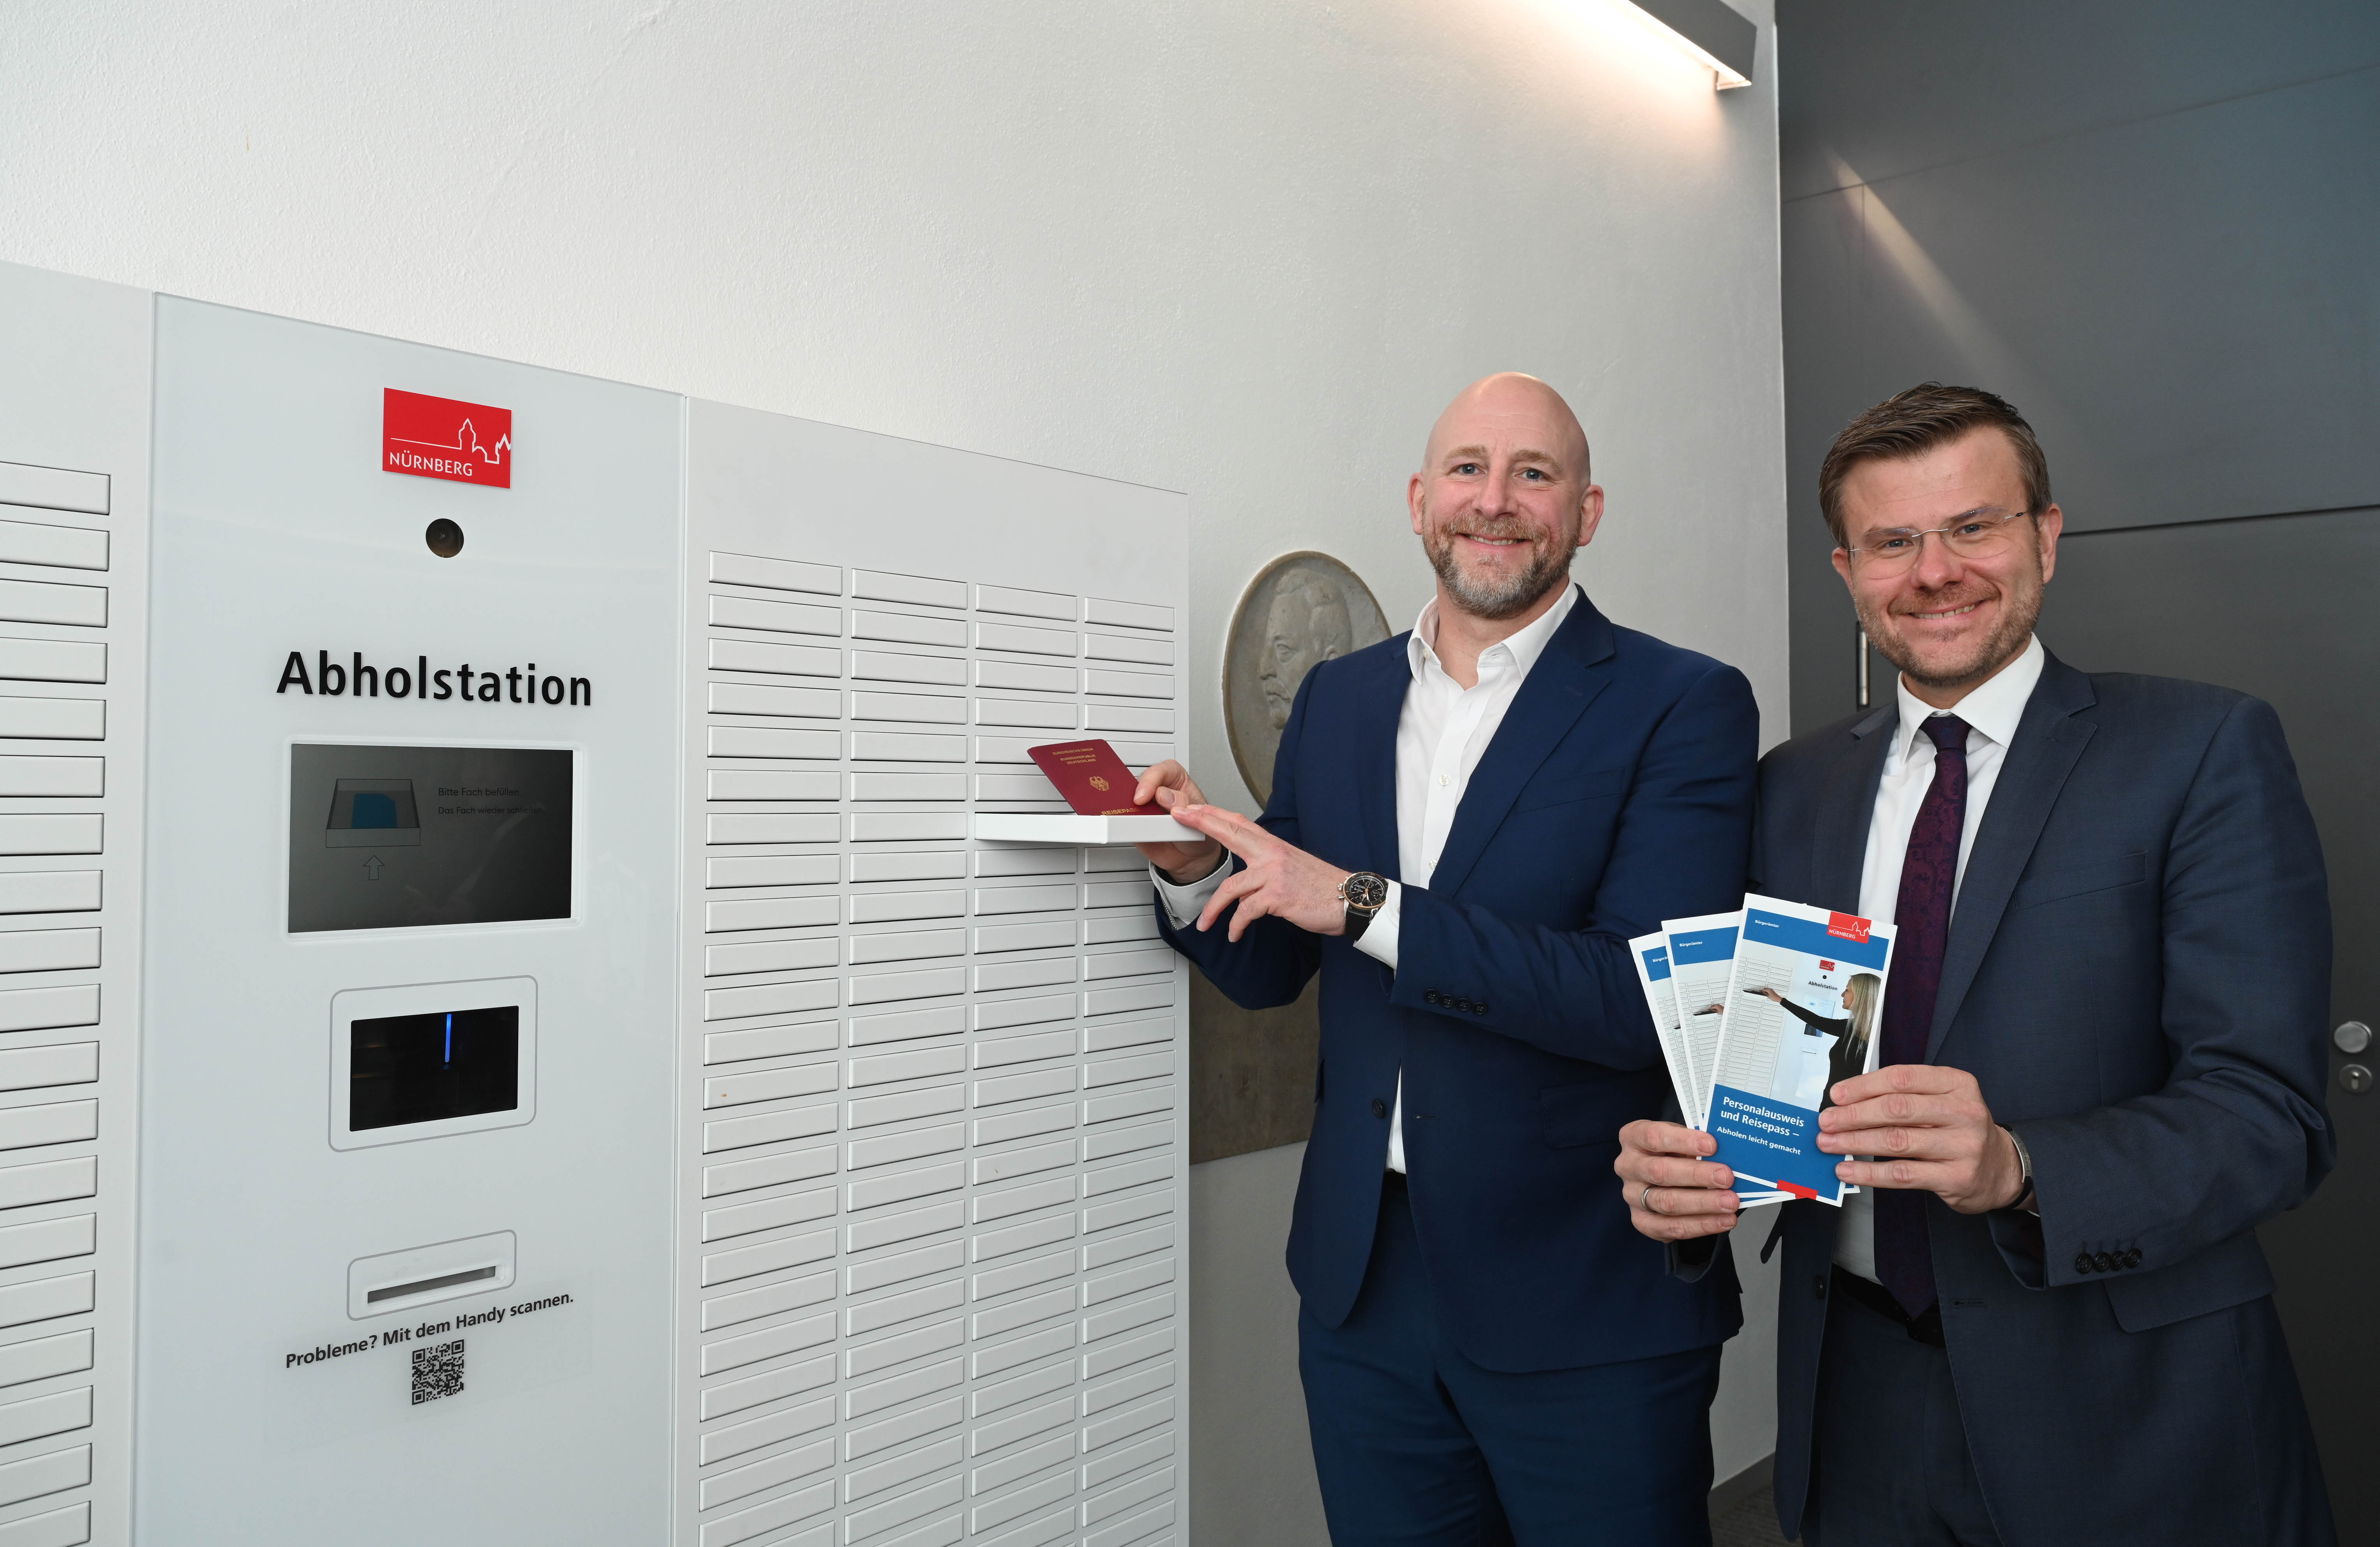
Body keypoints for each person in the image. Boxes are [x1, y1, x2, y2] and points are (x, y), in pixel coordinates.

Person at [1615, 384, 2336, 1545]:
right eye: (1892, 541)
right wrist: (1688, 1171)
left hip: (2124, 1404)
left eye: (1970, 527)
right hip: (1852, 1393)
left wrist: (2019, 1165)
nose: (1933, 571)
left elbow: (2269, 1115)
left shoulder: (2201, 749)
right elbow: (1764, 1056)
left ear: (2043, 537)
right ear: (1847, 570)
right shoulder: (1790, 786)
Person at [1133, 372, 1759, 1545]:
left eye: (1534, 473)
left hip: (1582, 1291)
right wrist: (1193, 866)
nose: (1495, 499)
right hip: (1363, 1284)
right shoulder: (1338, 698)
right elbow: (1274, 969)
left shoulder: (1682, 704)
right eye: (1467, 469)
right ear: (1420, 500)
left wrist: (1359, 903)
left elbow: (1635, 998)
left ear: (1586, 512)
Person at [1750, 975, 1879, 1113]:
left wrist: (1781, 1001)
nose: (1843, 994)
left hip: (1845, 1111)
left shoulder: (1871, 1036)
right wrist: (1780, 1000)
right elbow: (1817, 1021)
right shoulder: (1852, 1028)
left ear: (1861, 995)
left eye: (1847, 990)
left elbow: (1817, 1021)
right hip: (1831, 1104)